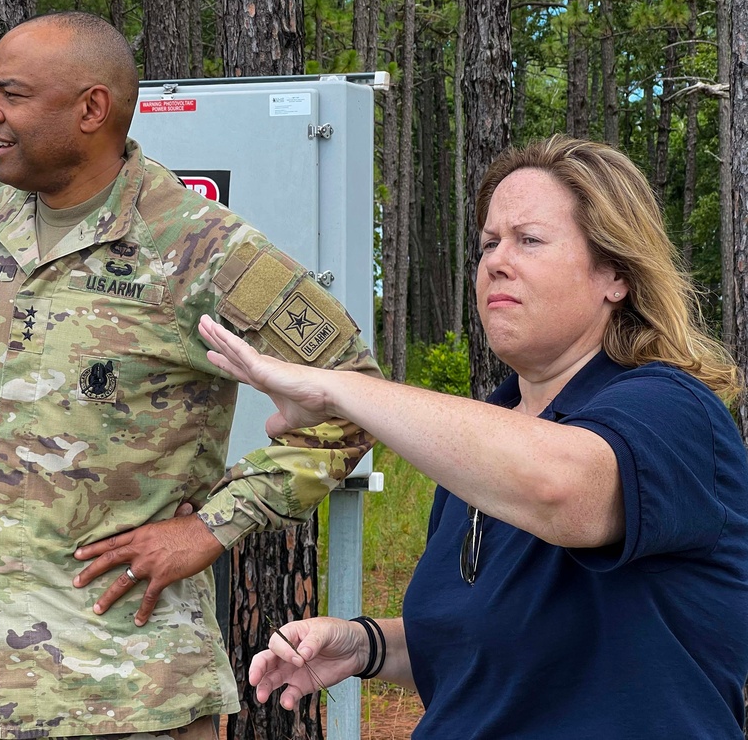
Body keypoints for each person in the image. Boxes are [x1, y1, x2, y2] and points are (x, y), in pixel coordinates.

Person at [0, 10, 380, 740]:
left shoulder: (199, 246)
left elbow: (357, 395)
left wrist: (212, 529)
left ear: (92, 108)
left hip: (127, 686)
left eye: (12, 95)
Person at [198, 135, 748, 738]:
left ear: (614, 273)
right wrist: (366, 645)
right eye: (489, 243)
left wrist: (339, 387)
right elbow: (489, 635)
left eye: (529, 240)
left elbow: (564, 489)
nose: (496, 262)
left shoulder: (671, 409)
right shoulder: (487, 434)